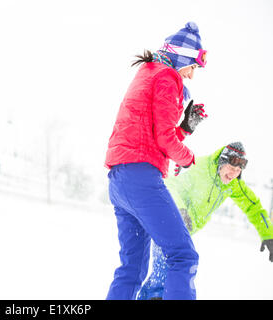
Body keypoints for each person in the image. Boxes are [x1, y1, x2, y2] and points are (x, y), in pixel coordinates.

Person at [105, 22, 208, 300]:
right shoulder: (167, 77)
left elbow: (152, 136)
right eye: (193, 67)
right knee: (183, 256)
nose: (191, 75)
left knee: (132, 270)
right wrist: (188, 159)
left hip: (120, 179)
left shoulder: (149, 72)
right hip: (141, 179)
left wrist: (184, 128)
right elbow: (164, 140)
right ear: (184, 58)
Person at [137, 142, 273, 300]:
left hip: (183, 229)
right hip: (168, 220)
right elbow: (171, 185)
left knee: (171, 270)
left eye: (238, 171)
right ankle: (156, 296)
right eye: (231, 168)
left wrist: (267, 233)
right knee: (174, 267)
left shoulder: (233, 184)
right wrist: (180, 210)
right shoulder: (199, 168)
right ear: (222, 161)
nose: (233, 174)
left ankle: (151, 295)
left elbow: (253, 207)